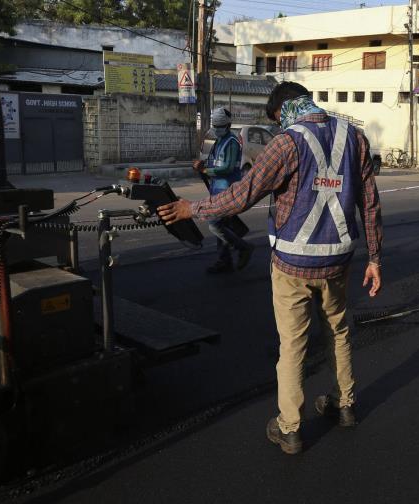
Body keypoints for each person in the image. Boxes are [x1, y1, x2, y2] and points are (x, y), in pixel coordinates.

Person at [158, 82, 383, 455]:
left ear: (283, 109)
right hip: (338, 261)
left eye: (277, 118)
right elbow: (371, 205)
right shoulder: (354, 137)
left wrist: (191, 209)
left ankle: (290, 428)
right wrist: (375, 259)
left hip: (292, 264)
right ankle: (345, 406)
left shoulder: (287, 142)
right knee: (338, 333)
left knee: (293, 345)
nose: (279, 125)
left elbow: (242, 195)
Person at [195, 107, 254, 273]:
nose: (216, 129)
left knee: (214, 224)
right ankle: (224, 260)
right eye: (215, 125)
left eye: (219, 126)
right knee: (221, 226)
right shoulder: (218, 142)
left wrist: (207, 171)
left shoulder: (232, 142)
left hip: (228, 190)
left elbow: (227, 168)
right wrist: (203, 166)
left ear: (228, 126)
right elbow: (215, 163)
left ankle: (243, 247)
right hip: (217, 189)